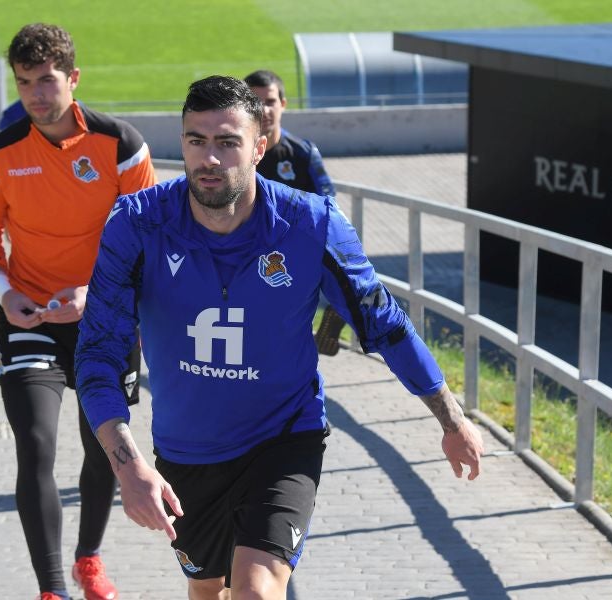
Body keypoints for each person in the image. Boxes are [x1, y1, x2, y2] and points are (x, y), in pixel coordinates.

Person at [74, 75, 484, 600]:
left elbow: (382, 322)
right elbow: (97, 355)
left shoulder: (311, 225)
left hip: (283, 437)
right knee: (207, 591)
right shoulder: (136, 225)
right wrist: (128, 468)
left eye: (228, 142)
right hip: (187, 448)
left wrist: (450, 418)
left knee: (256, 590)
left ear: (259, 146)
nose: (211, 159)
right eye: (197, 141)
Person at [0, 23, 156, 600]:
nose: (36, 95)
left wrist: (93, 295)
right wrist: (5, 291)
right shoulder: (0, 153)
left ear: (73, 78)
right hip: (29, 320)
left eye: (47, 81)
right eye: (25, 83)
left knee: (103, 448)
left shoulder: (120, 144)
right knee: (36, 446)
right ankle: (52, 589)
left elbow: (149, 239)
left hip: (102, 319)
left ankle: (88, 559)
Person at [244, 69, 345, 356]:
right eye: (255, 101)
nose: (263, 110)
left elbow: (329, 207)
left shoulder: (301, 153)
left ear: (283, 104)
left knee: (349, 266)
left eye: (270, 101)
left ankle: (331, 325)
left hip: (290, 250)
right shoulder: (233, 152)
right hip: (243, 247)